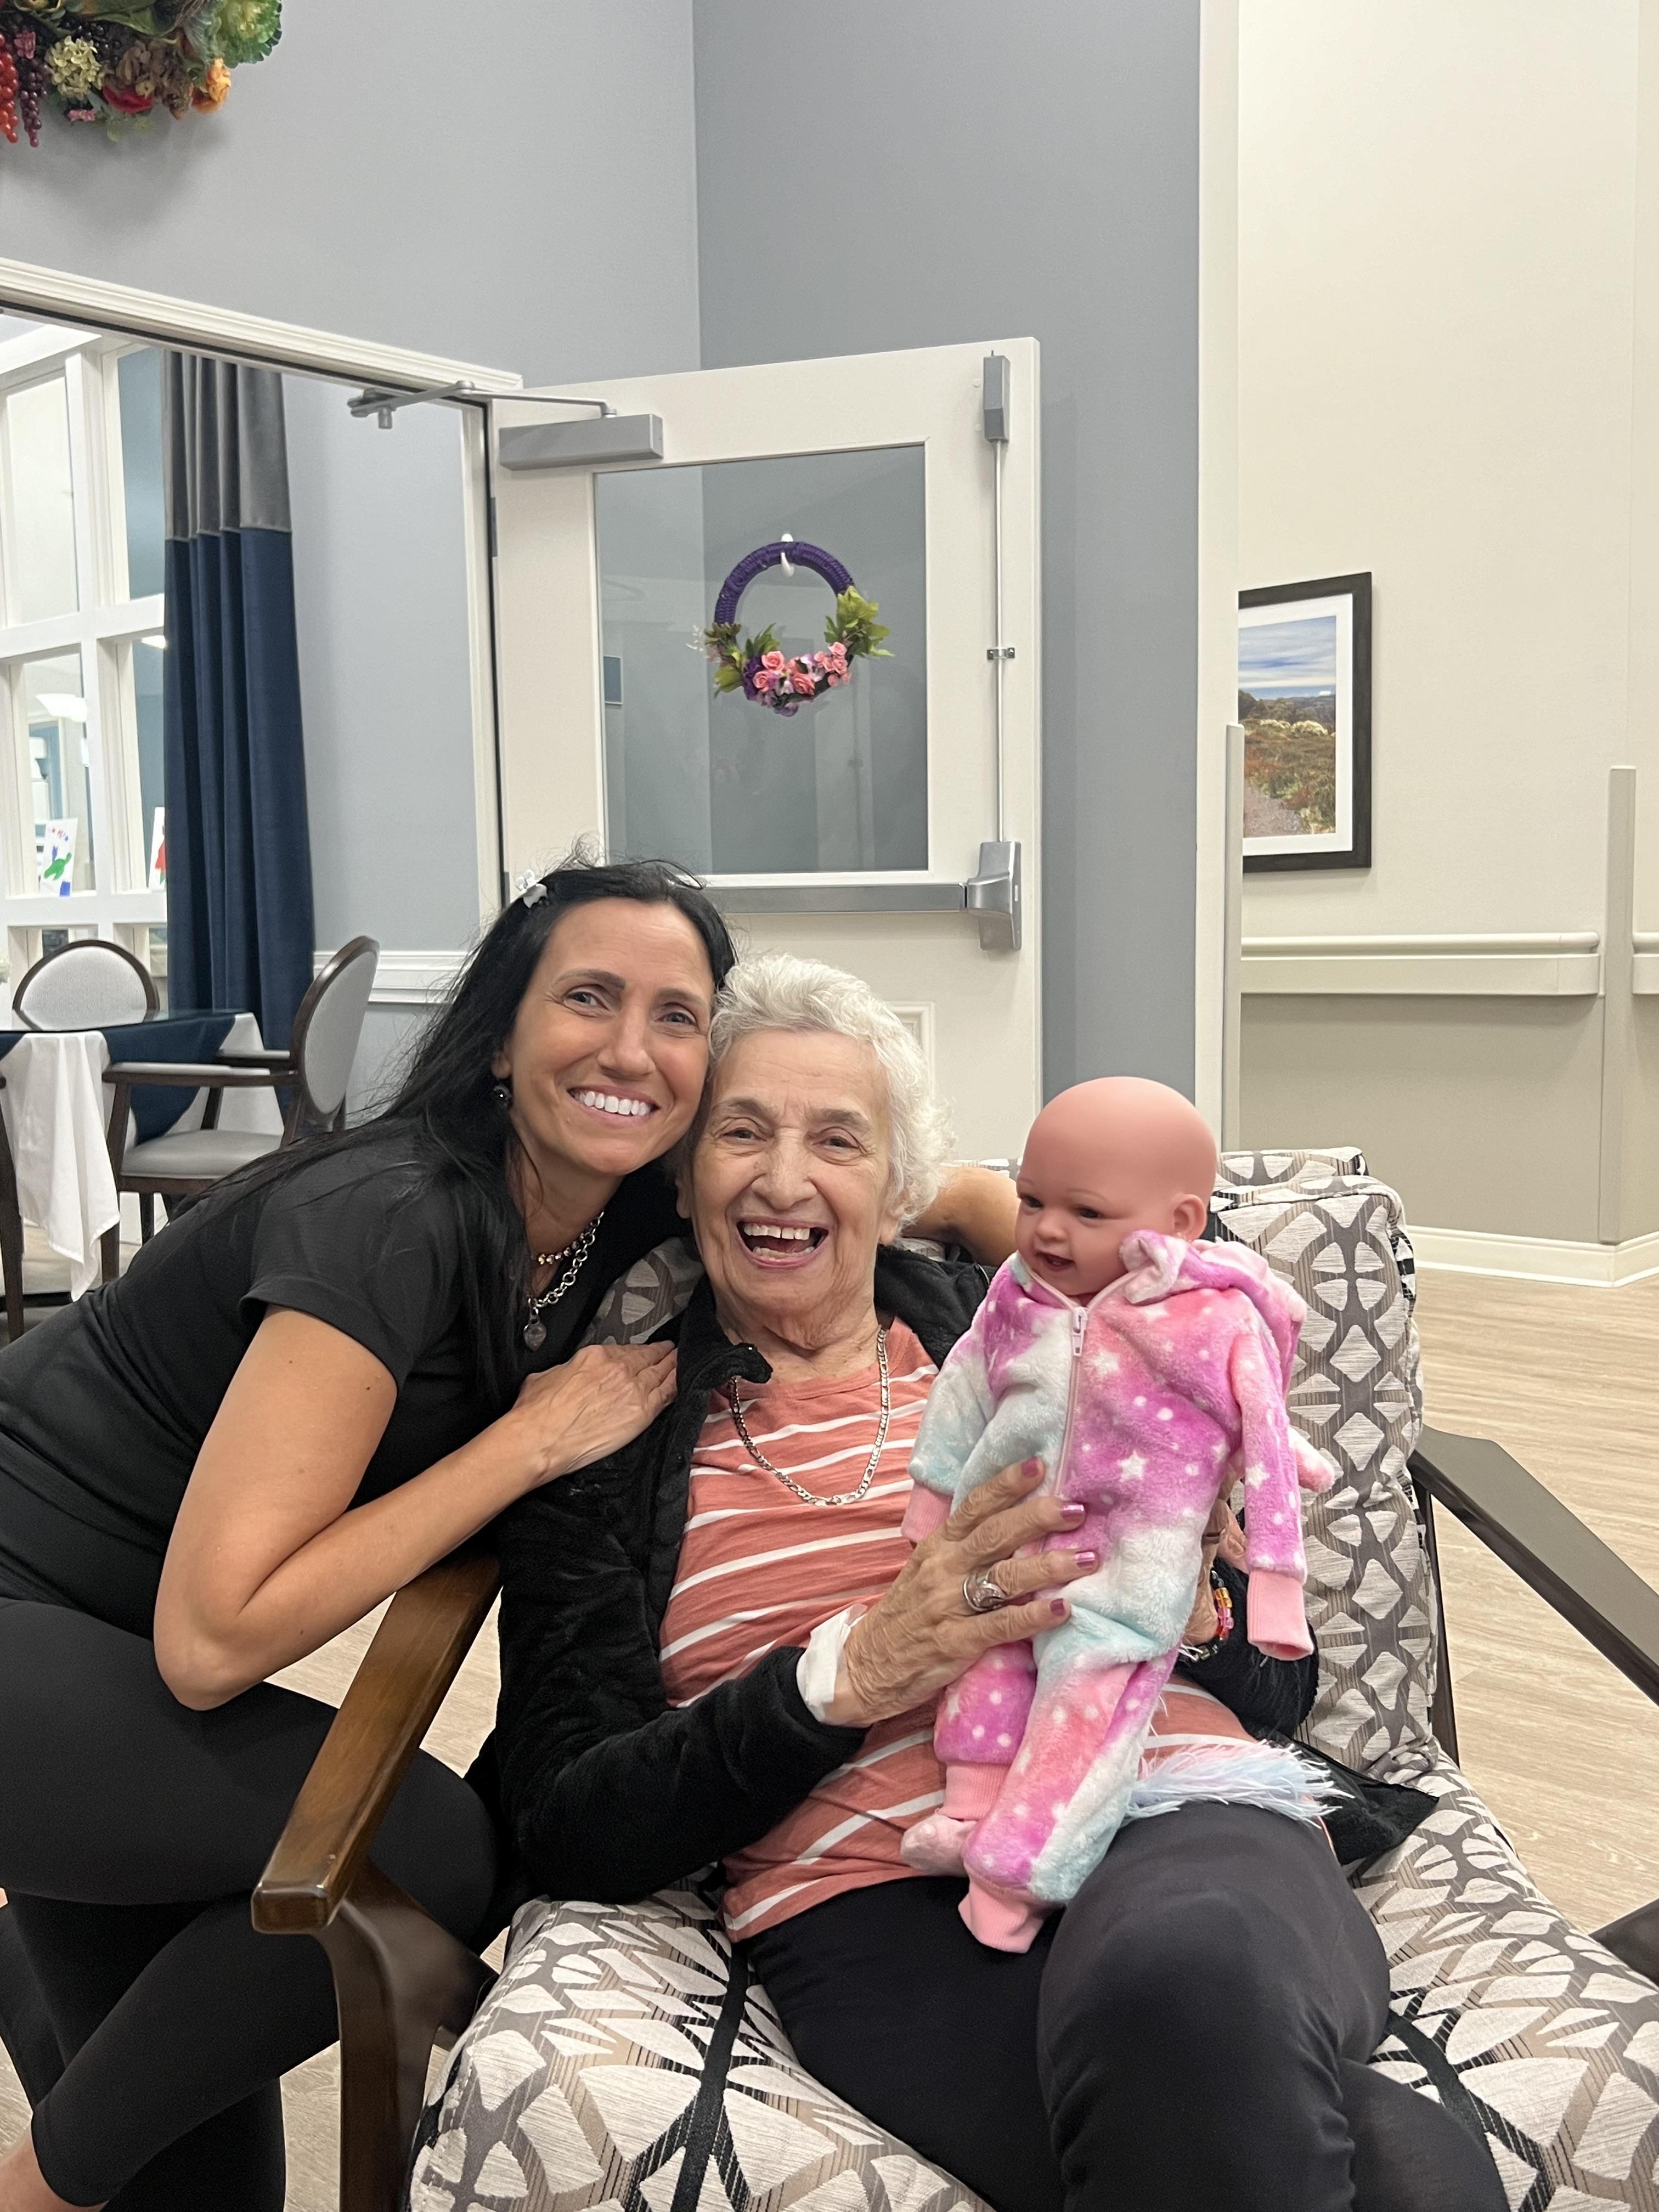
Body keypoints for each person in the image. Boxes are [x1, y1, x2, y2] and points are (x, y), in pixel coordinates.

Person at [0, 852, 1015, 2212]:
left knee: (199, 2185)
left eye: (675, 1017)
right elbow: (215, 1640)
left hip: (109, 1661)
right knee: (421, 1842)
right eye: (588, 997)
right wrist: (527, 1442)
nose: (631, 1050)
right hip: (48, 1609)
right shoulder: (390, 1218)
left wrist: (1060, 1230)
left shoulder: (619, 1195)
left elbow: (922, 1189)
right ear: (501, 1035)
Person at [487, 951, 1506, 2212]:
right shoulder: (608, 1439)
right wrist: (845, 1676)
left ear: (897, 1182)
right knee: (1399, 2169)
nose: (785, 1178)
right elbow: (566, 1819)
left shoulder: (1068, 1330)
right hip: (870, 1903)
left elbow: (1204, 1261)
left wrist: (1193, 1616)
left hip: (1178, 1815)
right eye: (741, 1132)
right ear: (688, 1173)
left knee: (1188, 1977)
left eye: (840, 1140)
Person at [900, 1075, 1334, 1950]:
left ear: (1179, 1222)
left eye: (1084, 1212)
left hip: (1130, 1584)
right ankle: (969, 1814)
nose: (1046, 1230)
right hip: (995, 1559)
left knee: (1080, 1731)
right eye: (1029, 1200)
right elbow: (964, 1388)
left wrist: (1275, 1585)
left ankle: (1016, 1878)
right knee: (983, 1672)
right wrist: (932, 1500)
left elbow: (1269, 1435)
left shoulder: (1212, 1322)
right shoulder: (1016, 1293)